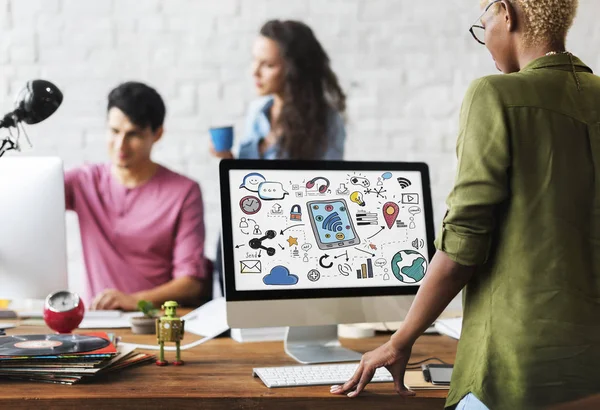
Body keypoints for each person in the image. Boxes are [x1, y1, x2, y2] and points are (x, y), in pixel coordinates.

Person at [331, 1, 600, 409]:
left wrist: (400, 340)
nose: (485, 39)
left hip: (517, 369)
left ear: (506, 14)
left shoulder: (494, 94)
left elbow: (463, 245)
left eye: (483, 24)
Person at [211, 20, 348, 291]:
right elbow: (247, 179)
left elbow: (327, 190)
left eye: (268, 65)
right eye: (255, 61)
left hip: (287, 239)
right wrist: (229, 161)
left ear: (294, 71)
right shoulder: (258, 111)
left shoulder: (326, 122)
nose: (255, 72)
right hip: (243, 226)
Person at [65, 82, 210, 311]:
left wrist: (135, 301)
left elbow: (190, 283)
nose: (120, 145)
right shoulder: (82, 181)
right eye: (114, 131)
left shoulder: (184, 192)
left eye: (133, 134)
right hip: (99, 320)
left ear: (157, 134)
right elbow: (27, 200)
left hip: (154, 319)